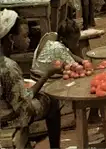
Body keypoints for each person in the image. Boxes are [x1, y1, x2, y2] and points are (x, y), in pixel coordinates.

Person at [0, 10, 61, 149]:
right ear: (10, 38)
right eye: (24, 36)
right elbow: (23, 106)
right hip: (7, 117)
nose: (28, 40)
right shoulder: (8, 67)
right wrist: (46, 75)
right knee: (52, 101)